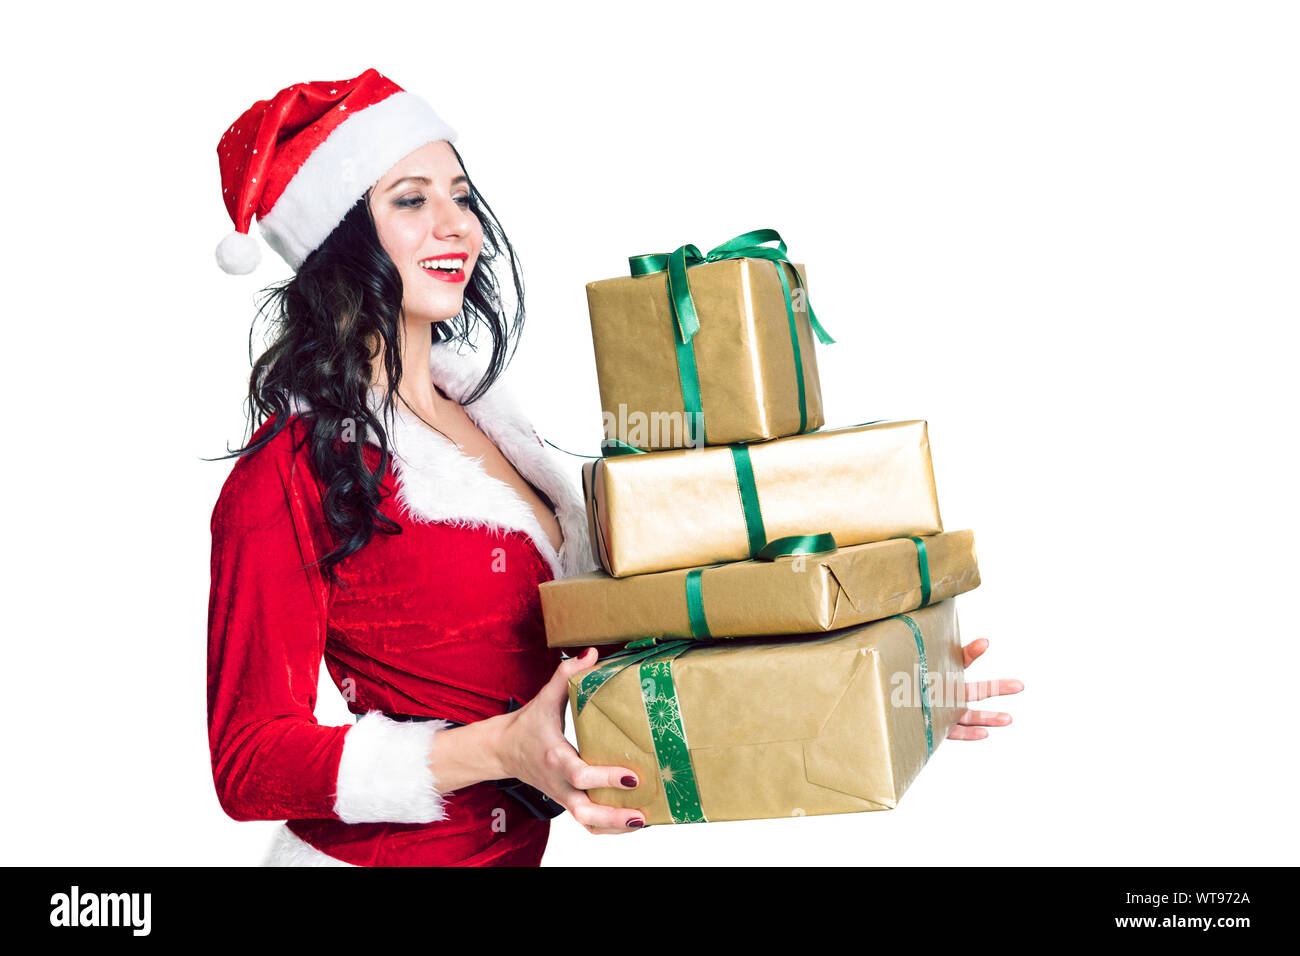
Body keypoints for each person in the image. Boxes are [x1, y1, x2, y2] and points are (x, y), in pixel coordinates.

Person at [208, 68, 1022, 867]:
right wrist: (499, 748)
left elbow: (624, 638)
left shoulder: (494, 425)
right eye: (411, 200)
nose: (456, 225)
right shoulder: (286, 475)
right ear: (340, 240)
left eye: (461, 195)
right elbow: (248, 765)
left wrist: (879, 693)